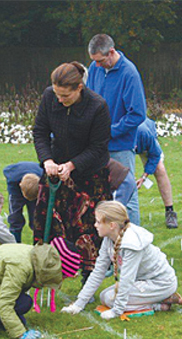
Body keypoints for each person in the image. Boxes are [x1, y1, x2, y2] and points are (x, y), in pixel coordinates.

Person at [33, 61, 112, 284]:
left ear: (79, 88)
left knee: (89, 229)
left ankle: (89, 279)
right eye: (57, 94)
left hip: (90, 175)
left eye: (65, 96)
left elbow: (98, 147)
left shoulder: (98, 106)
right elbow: (40, 132)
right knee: (47, 223)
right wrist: (47, 160)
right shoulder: (49, 97)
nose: (59, 100)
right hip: (55, 172)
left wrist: (72, 165)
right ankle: (44, 273)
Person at [61, 201, 182, 319]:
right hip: (142, 281)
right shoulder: (108, 238)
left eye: (98, 222)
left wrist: (117, 310)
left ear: (111, 225)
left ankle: (158, 304)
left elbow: (126, 279)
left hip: (160, 283)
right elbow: (98, 271)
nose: (95, 225)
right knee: (104, 296)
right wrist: (79, 304)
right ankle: (159, 299)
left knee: (111, 299)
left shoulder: (131, 244)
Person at [87, 33, 147, 226]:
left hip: (120, 145)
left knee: (127, 197)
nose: (96, 65)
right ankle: (105, 241)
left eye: (100, 60)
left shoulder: (129, 73)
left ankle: (134, 243)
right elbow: (88, 100)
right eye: (94, 61)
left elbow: (137, 113)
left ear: (111, 52)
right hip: (96, 144)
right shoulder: (95, 69)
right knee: (99, 194)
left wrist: (109, 131)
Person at [135, 118, 178, 228]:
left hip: (145, 142)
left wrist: (144, 177)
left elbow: (155, 156)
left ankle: (170, 212)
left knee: (159, 169)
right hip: (121, 146)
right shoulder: (115, 133)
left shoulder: (143, 133)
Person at [3, 162, 43, 243]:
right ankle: (15, 243)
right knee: (15, 217)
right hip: (15, 189)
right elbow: (5, 169)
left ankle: (38, 243)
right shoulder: (12, 176)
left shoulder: (44, 175)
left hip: (35, 186)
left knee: (36, 217)